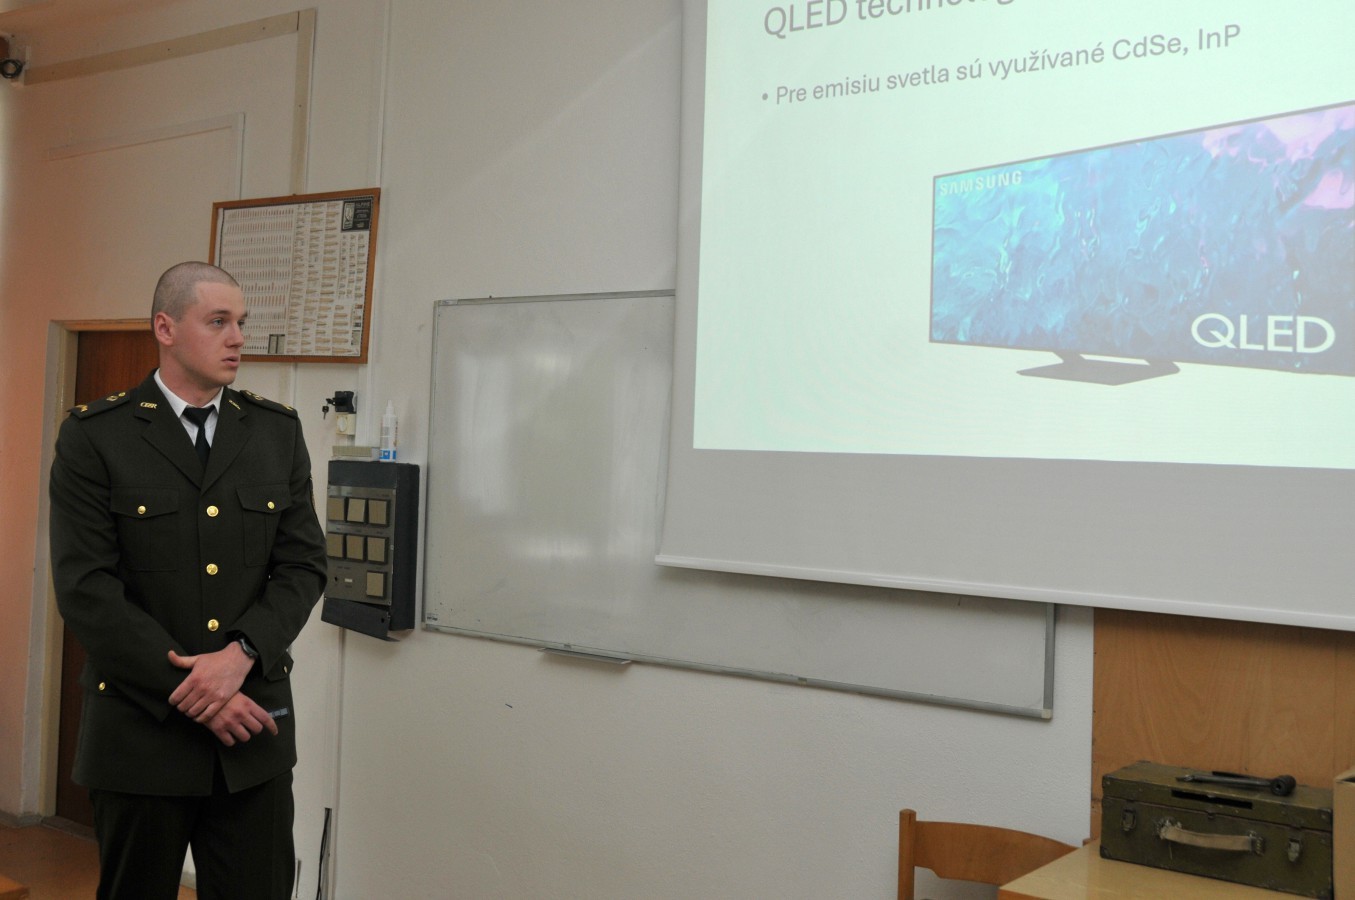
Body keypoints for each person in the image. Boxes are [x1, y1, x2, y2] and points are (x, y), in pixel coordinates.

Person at [49, 261, 329, 899]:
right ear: (165, 328)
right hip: (141, 737)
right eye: (219, 321)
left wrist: (241, 654)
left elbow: (303, 564)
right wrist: (200, 689)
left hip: (252, 737)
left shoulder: (275, 431)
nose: (238, 338)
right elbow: (87, 590)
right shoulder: (97, 437)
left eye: (241, 323)